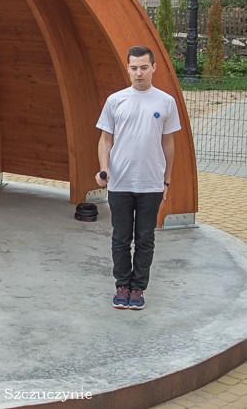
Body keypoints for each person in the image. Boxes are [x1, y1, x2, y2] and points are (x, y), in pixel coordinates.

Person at [95, 45, 181, 310]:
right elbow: (105, 139)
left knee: (145, 238)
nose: (139, 73)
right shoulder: (116, 100)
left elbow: (169, 144)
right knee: (121, 237)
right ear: (128, 68)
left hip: (151, 184)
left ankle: (138, 289)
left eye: (144, 67)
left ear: (154, 67)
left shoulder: (166, 102)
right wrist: (104, 169)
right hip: (120, 182)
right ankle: (122, 286)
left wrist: (166, 181)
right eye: (134, 67)